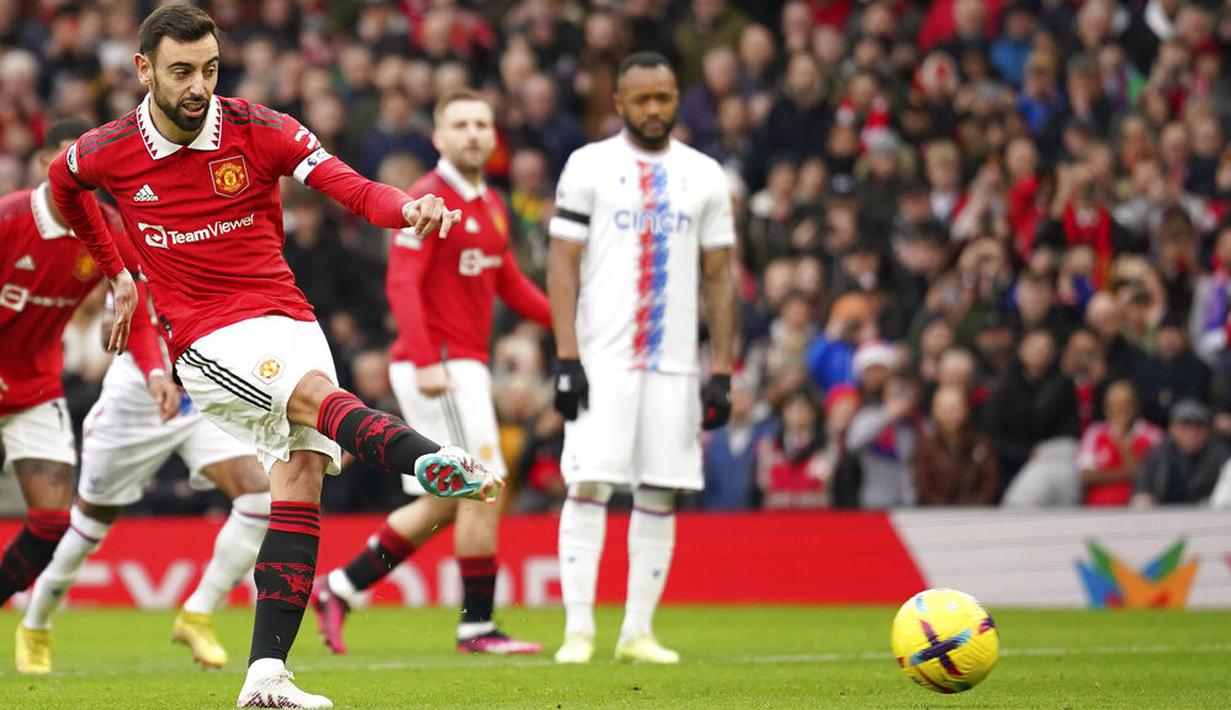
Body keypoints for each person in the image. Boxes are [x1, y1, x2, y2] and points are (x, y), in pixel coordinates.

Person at [46, 7, 498, 707]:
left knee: (300, 475)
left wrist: (406, 208)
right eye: (181, 72)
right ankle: (429, 459)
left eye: (209, 69)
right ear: (144, 71)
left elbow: (350, 186)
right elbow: (61, 182)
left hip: (286, 317)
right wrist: (118, 272)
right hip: (205, 338)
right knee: (317, 398)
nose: (198, 86)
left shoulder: (261, 128)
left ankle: (266, 677)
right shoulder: (108, 148)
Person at [312, 90, 549, 656]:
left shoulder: (491, 202)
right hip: (439, 363)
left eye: (481, 124)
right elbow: (402, 282)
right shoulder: (425, 198)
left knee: (448, 498)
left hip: (463, 362)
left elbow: (509, 284)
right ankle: (477, 628)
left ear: (493, 137)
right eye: (460, 124)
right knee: (482, 485)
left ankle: (340, 589)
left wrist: (569, 324)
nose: (472, 133)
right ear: (439, 138)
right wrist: (422, 359)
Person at [547, 51, 736, 664]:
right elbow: (561, 263)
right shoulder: (589, 166)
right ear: (619, 104)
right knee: (589, 481)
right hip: (602, 360)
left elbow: (720, 276)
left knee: (660, 490)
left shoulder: (705, 175)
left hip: (676, 363)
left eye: (665, 97)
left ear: (677, 98)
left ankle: (638, 632)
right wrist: (566, 356)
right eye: (643, 99)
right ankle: (578, 631)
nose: (655, 109)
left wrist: (724, 368)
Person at [0, 120, 154, 615]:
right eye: (66, 161)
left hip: (35, 387)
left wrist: (153, 371)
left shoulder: (107, 231)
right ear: (44, 163)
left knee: (51, 521)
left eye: (85, 166)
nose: (76, 175)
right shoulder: (9, 219)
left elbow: (141, 303)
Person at [1133, 399, 1231, 507]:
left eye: (1198, 426)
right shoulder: (1158, 454)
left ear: (1207, 430)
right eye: (1184, 425)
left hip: (1205, 515)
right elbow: (1143, 487)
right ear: (1172, 428)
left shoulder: (1220, 456)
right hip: (1162, 515)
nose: (1191, 432)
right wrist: (1144, 497)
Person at [912, 385, 999, 506]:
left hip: (975, 514)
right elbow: (922, 485)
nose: (950, 415)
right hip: (935, 515)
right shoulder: (925, 446)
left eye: (955, 408)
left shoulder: (980, 443)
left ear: (965, 409)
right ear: (934, 411)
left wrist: (973, 507)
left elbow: (990, 482)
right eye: (944, 409)